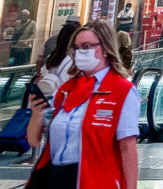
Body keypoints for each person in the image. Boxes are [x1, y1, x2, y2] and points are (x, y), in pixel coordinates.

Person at [25, 20, 140, 189]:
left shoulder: (122, 90)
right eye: (77, 48)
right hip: (55, 177)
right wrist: (37, 113)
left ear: (106, 48)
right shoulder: (67, 89)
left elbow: (127, 147)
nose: (80, 53)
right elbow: (34, 141)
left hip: (94, 180)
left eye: (86, 47)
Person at [36, 22, 77, 101]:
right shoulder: (73, 59)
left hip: (47, 97)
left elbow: (41, 75)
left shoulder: (52, 56)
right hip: (62, 98)